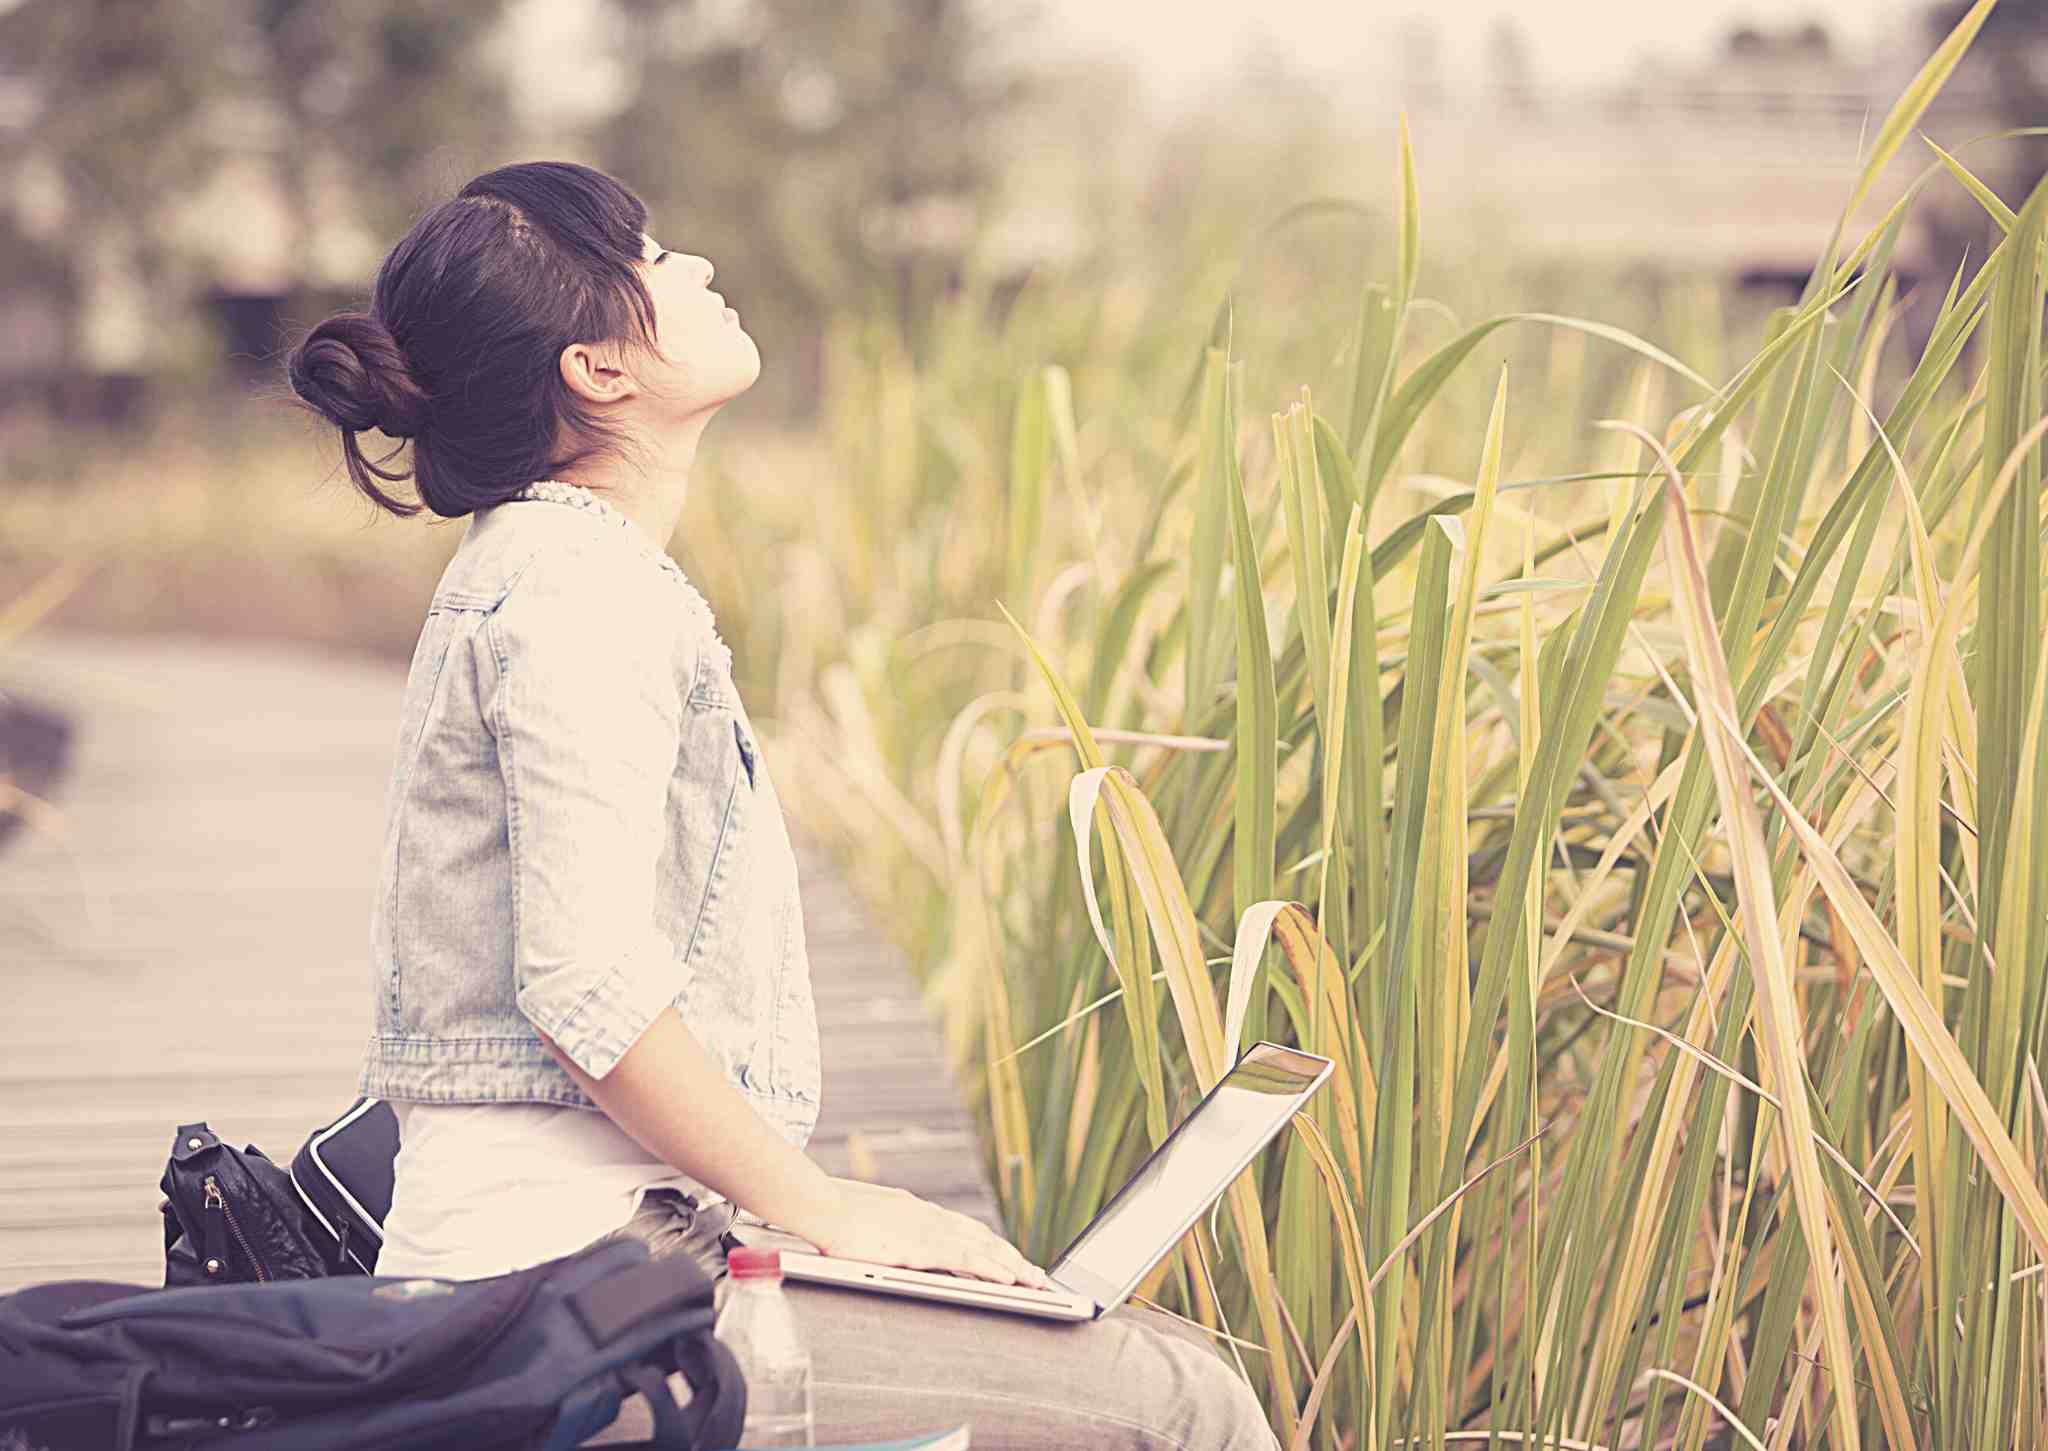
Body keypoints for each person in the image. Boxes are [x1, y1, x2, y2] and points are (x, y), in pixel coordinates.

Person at [283, 160, 1281, 1451]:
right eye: (650, 260)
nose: (692, 269)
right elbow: (584, 986)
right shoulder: (579, 597)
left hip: (599, 1262)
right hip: (566, 1296)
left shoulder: (547, 572)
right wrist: (835, 1210)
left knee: (1113, 1357)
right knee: (1179, 1400)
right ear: (597, 370)